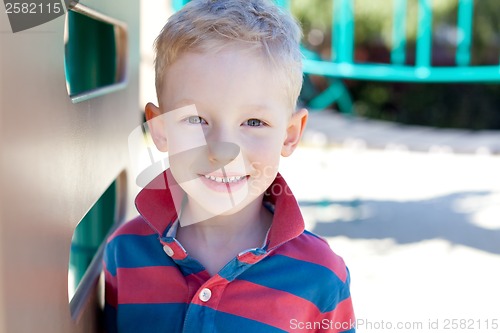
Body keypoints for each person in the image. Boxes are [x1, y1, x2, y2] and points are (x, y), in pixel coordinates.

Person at [103, 0, 355, 332]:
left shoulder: (321, 276)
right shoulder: (124, 252)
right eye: (196, 119)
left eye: (253, 121)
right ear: (160, 128)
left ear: (290, 135)